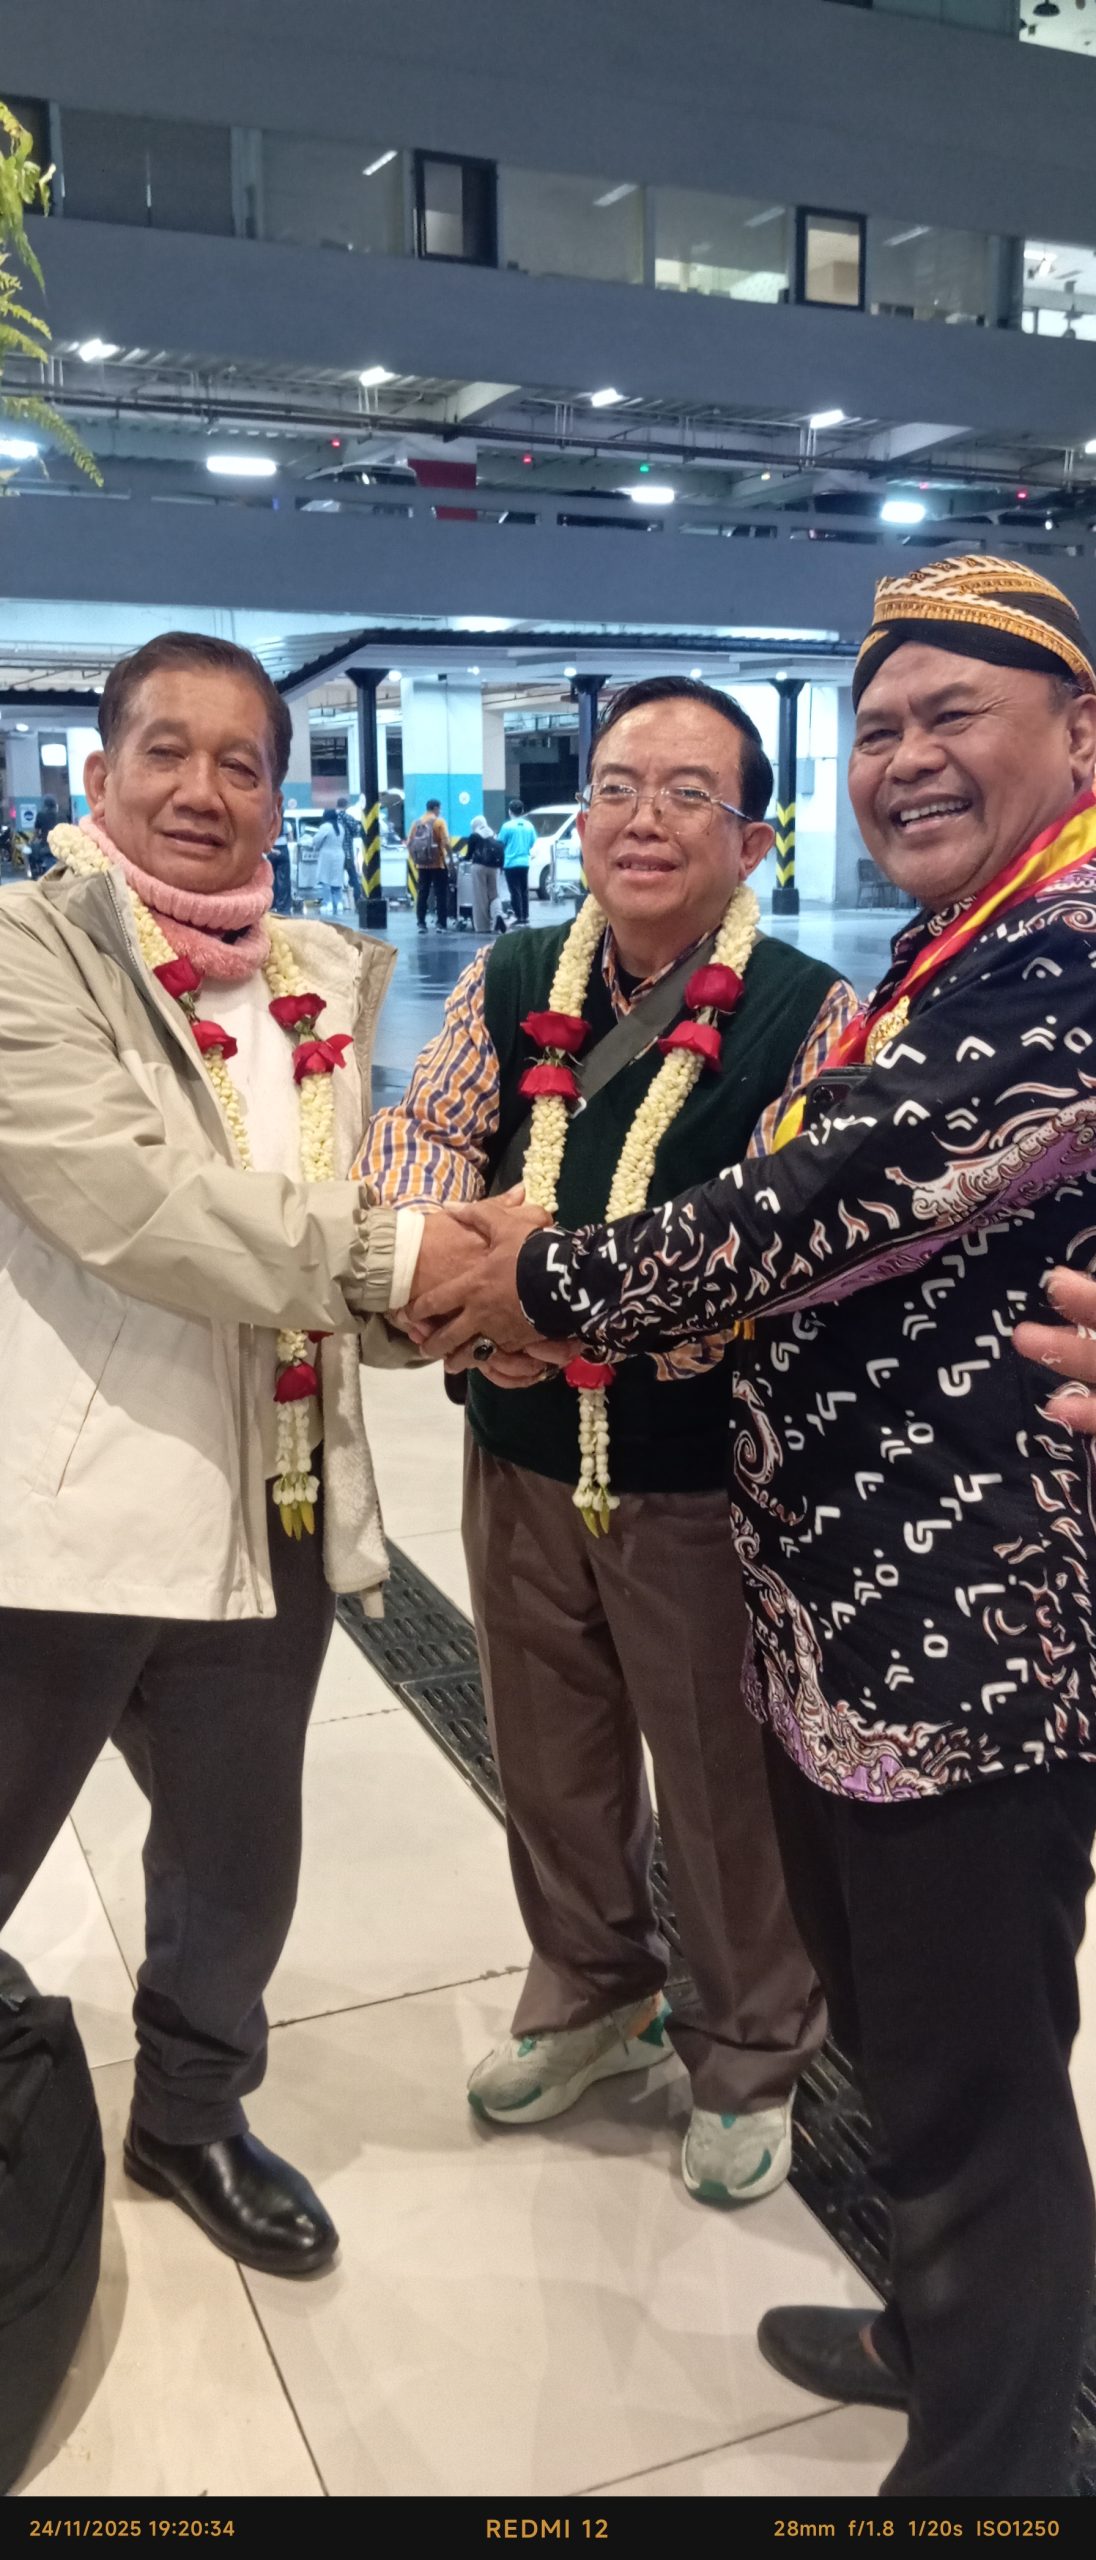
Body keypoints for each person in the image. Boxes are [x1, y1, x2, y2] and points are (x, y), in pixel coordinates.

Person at [409, 558, 1096, 2496]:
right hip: (844, 1618)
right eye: (878, 725)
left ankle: (990, 2469)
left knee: (970, 2085)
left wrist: (525, 1277)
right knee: (897, 2033)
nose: (907, 756)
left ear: (1079, 734)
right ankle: (931, 2331)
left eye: (953, 713)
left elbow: (808, 1206)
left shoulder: (1058, 947)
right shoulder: (952, 940)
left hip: (968, 1647)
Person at [0, 630, 480, 2282]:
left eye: (243, 762)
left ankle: (193, 2112)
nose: (203, 789)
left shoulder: (317, 978)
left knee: (235, 1849)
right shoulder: (27, 950)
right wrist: (404, 1260)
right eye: (167, 750)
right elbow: (132, 1200)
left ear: (282, 794)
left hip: (273, 1495)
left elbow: (326, 1230)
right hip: (57, 1504)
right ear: (100, 772)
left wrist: (447, 1304)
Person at [363, 676, 855, 2201]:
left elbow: (778, 1244)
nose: (646, 819)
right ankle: (591, 1989)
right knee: (548, 1747)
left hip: (699, 1477)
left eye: (691, 793)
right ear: (578, 822)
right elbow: (420, 1139)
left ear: (754, 840)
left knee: (718, 1779)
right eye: (619, 788)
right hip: (516, 1446)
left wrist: (541, 1294)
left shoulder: (808, 1013)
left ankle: (749, 2046)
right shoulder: (512, 975)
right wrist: (445, 1272)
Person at [409, 797, 452, 932]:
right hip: (438, 863)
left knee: (423, 893)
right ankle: (441, 924)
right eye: (439, 809)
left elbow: (410, 843)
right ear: (435, 808)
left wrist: (415, 859)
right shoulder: (439, 822)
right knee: (441, 894)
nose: (440, 811)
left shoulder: (416, 823)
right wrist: (450, 859)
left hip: (422, 865)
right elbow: (446, 842)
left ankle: (421, 923)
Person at [498, 796, 535, 924]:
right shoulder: (529, 825)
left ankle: (518, 916)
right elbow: (532, 842)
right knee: (524, 890)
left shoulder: (507, 827)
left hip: (510, 863)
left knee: (514, 891)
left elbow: (500, 843)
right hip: (524, 862)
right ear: (522, 811)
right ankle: (525, 915)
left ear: (509, 811)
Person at [466, 812, 505, 934]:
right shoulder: (493, 834)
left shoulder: (474, 836)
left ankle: (483, 927)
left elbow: (468, 856)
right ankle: (498, 915)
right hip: (494, 868)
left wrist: (463, 859)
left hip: (479, 868)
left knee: (480, 897)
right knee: (494, 895)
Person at [310, 805, 348, 920]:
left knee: (325, 879)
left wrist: (314, 845)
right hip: (339, 854)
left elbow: (316, 840)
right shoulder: (340, 827)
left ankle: (328, 903)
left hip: (327, 854)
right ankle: (339, 903)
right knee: (337, 880)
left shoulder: (325, 826)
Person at [27, 794, 59, 879]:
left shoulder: (40, 815)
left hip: (46, 846)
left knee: (33, 853)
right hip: (60, 847)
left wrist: (30, 841)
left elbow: (36, 832)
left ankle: (35, 873)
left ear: (45, 805)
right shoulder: (61, 816)